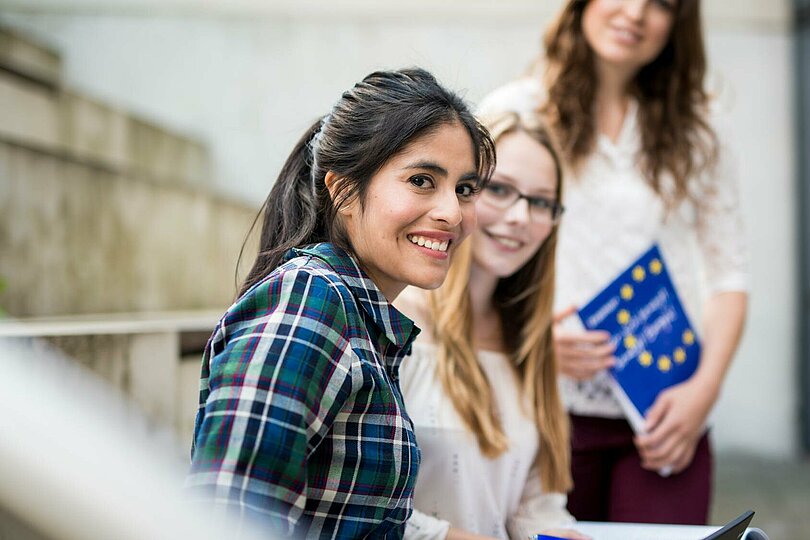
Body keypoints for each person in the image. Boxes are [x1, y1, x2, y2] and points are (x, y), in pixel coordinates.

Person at [186, 68, 496, 539]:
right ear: (343, 189)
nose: (452, 212)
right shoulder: (310, 301)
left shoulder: (360, 318)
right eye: (421, 180)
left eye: (465, 189)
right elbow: (231, 512)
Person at [479, 0, 749, 525]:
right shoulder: (518, 111)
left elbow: (729, 274)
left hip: (665, 413)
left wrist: (704, 390)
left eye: (662, 4)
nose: (636, 13)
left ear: (678, 23)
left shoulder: (702, 128)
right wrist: (531, 341)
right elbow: (471, 246)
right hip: (540, 406)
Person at [395, 111, 587, 540]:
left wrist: (558, 534)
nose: (521, 216)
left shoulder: (532, 344)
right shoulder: (396, 324)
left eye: (540, 202)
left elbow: (535, 509)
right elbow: (361, 510)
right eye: (499, 190)